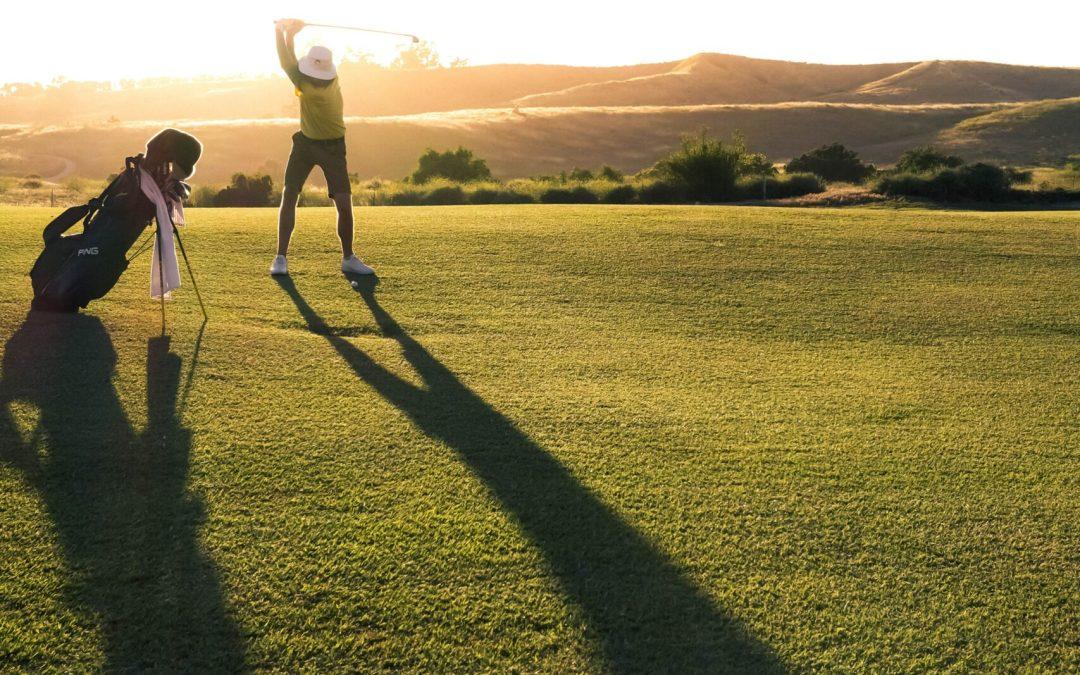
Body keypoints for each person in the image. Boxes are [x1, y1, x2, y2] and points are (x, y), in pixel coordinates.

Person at [271, 19, 374, 277]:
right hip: (306, 144)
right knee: (290, 194)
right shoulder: (318, 78)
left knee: (343, 202)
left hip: (333, 148)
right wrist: (288, 34)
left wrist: (284, 32)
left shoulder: (306, 83)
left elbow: (287, 62)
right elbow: (289, 61)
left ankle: (348, 258)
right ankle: (280, 257)